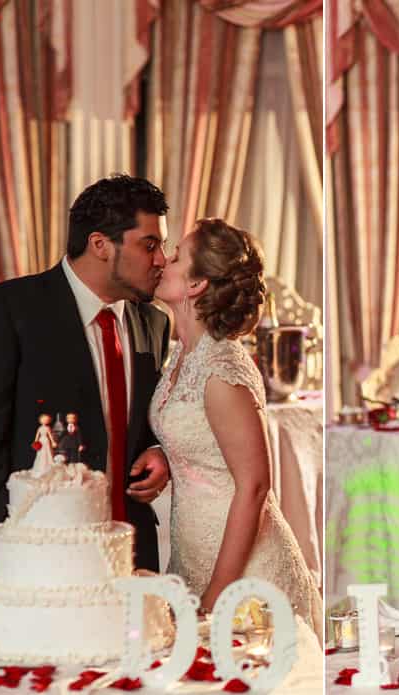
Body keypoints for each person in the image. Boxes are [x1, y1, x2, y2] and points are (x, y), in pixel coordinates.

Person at [0, 174, 172, 573]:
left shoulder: (154, 323)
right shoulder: (8, 310)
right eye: (150, 244)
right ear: (101, 245)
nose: (162, 260)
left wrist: (160, 450)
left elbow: (150, 421)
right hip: (38, 558)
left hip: (133, 556)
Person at [149, 217, 322, 639]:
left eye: (175, 258)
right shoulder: (182, 356)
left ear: (196, 285)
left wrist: (216, 599)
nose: (162, 263)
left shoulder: (222, 370)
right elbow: (197, 438)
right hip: (191, 557)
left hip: (244, 576)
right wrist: (162, 454)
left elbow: (255, 487)